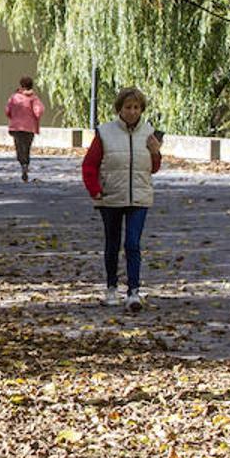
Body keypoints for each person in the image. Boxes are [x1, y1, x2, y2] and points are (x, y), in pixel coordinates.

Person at [81, 86, 163, 311]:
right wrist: (94, 189)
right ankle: (111, 288)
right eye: (128, 107)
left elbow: (153, 168)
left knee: (133, 243)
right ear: (119, 109)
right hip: (110, 196)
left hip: (139, 196)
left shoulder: (149, 132)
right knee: (113, 242)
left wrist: (156, 152)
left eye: (137, 107)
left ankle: (134, 291)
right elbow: (90, 164)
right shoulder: (105, 133)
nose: (133, 112)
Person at [5, 75, 44, 181]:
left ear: (21, 85)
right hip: (29, 127)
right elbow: (38, 111)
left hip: (16, 127)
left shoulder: (14, 97)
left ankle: (22, 162)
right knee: (27, 147)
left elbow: (7, 111)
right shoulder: (33, 98)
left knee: (19, 146)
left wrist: (13, 117)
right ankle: (26, 163)